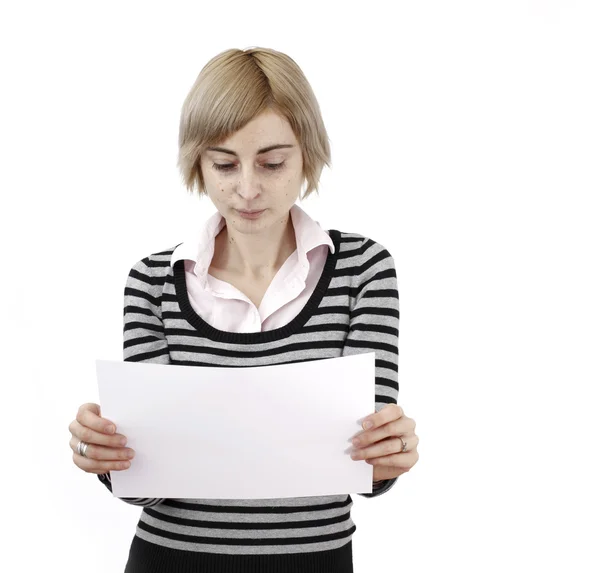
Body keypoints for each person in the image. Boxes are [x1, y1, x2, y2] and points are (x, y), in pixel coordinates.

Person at [68, 46, 419, 573]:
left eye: (273, 162)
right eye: (224, 164)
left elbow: (366, 469)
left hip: (315, 561)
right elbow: (147, 489)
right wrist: (109, 460)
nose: (248, 189)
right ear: (198, 163)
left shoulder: (363, 270)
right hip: (171, 559)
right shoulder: (153, 282)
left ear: (308, 155)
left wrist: (388, 456)